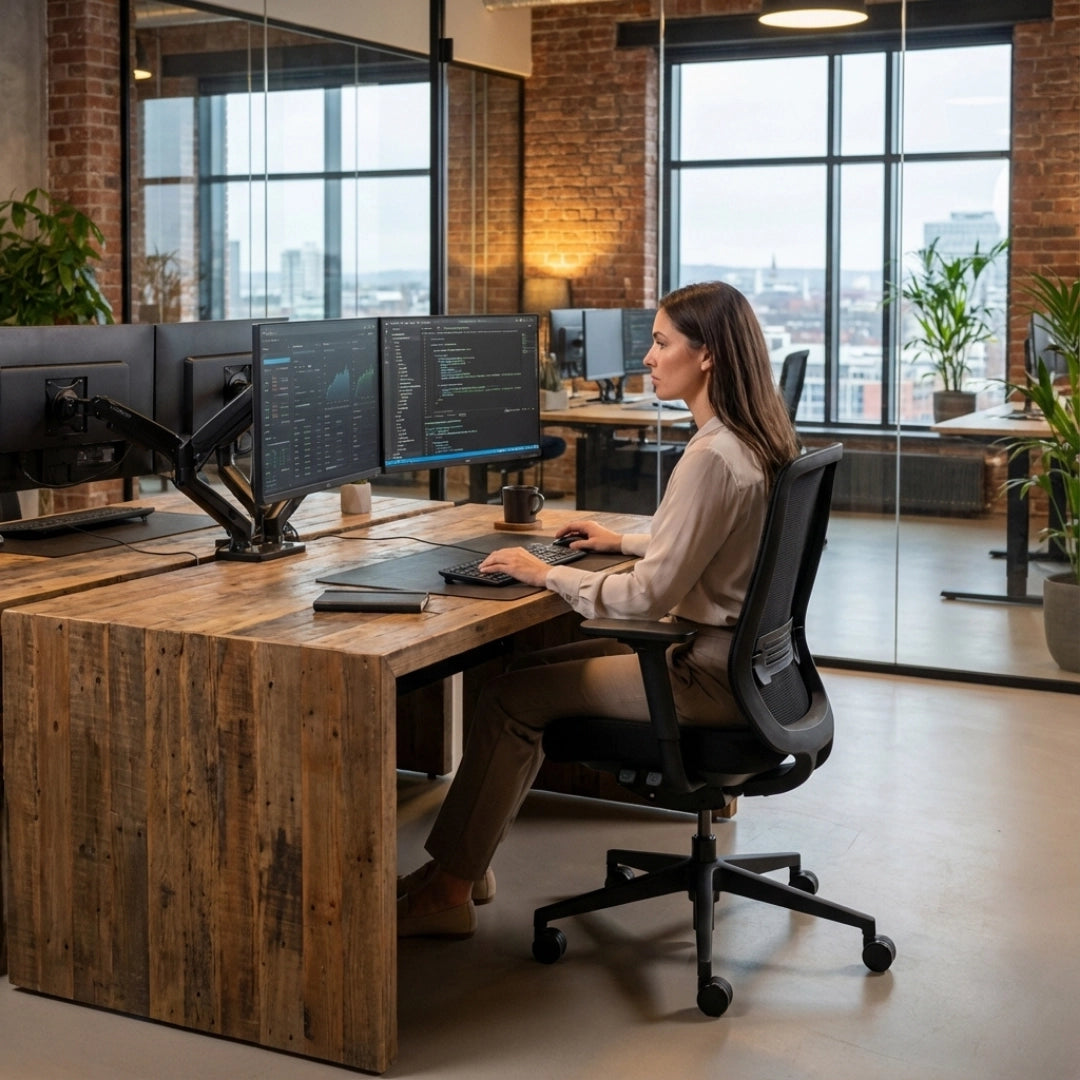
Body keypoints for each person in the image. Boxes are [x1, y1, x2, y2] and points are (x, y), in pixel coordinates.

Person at [398, 281, 800, 938]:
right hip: (752, 669)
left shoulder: (710, 456)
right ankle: (466, 864)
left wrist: (543, 575)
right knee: (523, 676)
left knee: (509, 700)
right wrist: (624, 542)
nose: (647, 357)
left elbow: (647, 598)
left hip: (704, 676)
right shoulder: (755, 440)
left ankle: (449, 890)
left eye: (662, 342)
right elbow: (709, 541)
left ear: (708, 356)